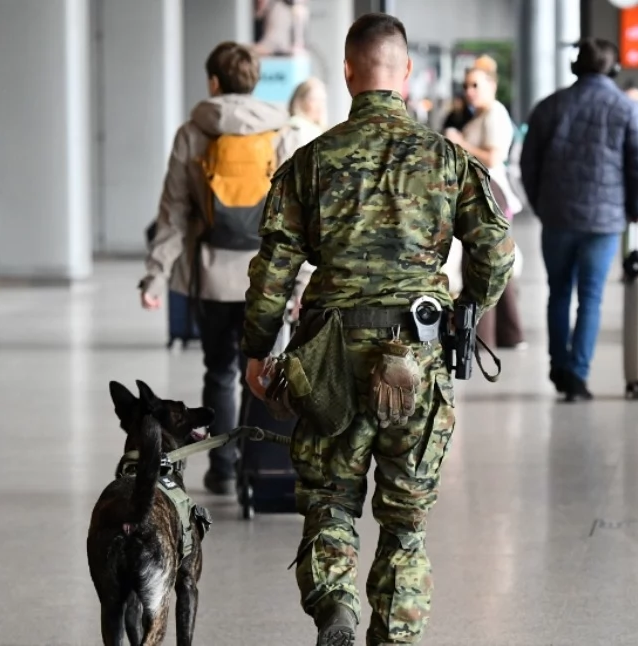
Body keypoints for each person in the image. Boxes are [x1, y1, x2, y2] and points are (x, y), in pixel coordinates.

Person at [241, 13, 514, 646]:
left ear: (347, 72)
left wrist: (256, 350)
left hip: (328, 359)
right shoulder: (448, 159)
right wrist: (466, 312)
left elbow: (273, 269)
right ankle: (394, 635)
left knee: (330, 501)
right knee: (405, 521)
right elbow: (497, 252)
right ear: (407, 72)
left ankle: (336, 607)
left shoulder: (311, 162)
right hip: (417, 358)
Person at [139, 41, 289, 495]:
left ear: (213, 82)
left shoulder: (191, 133)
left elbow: (173, 213)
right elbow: (295, 215)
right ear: (254, 81)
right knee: (262, 374)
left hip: (209, 276)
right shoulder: (280, 132)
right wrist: (301, 281)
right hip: (265, 279)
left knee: (219, 371)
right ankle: (256, 468)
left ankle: (222, 467)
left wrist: (156, 276)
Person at [520, 37, 638, 401]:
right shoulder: (627, 108)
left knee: (558, 292)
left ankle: (558, 364)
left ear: (575, 66)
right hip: (605, 220)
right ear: (615, 69)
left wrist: (540, 203)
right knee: (591, 297)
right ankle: (578, 375)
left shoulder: (550, 106)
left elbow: (529, 162)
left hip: (557, 215)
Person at [446, 64, 525, 350]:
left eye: (475, 85)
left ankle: (483, 338)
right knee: (492, 264)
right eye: (467, 86)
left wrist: (459, 143)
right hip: (481, 194)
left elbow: (492, 158)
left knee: (481, 266)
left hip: (490, 195)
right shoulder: (480, 116)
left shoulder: (494, 115)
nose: (470, 91)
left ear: (492, 86)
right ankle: (506, 334)